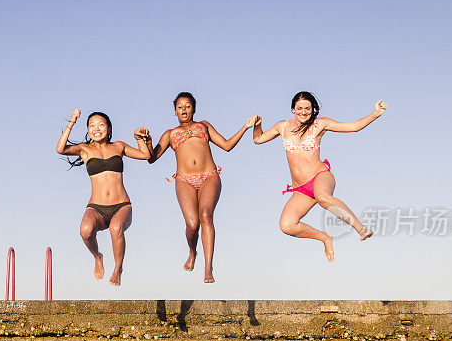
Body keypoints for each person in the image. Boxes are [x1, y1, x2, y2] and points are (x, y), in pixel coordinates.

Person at [252, 91, 387, 261]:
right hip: (301, 190)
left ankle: (361, 228)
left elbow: (354, 127)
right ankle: (324, 237)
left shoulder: (320, 125)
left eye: (307, 108)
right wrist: (258, 124)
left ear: (313, 109)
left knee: (323, 197)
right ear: (293, 108)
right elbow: (258, 139)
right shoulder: (283, 126)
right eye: (299, 108)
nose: (303, 112)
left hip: (320, 176)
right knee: (287, 225)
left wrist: (375, 113)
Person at [145, 92, 258, 283]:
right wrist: (146, 140)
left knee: (205, 215)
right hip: (184, 180)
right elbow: (151, 158)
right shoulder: (169, 134)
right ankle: (192, 252)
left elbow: (227, 145)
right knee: (192, 224)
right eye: (180, 107)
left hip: (209, 176)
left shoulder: (203, 125)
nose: (184, 110)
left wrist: (246, 127)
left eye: (188, 106)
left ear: (194, 109)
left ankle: (208, 267)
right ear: (175, 111)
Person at [56, 109, 151, 285]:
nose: (96, 128)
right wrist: (72, 122)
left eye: (101, 124)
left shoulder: (119, 146)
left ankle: (117, 269)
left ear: (108, 127)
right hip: (96, 207)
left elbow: (145, 155)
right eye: (91, 125)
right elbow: (60, 149)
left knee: (116, 228)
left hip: (121, 205)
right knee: (85, 231)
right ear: (88, 129)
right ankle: (97, 257)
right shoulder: (85, 150)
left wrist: (139, 138)